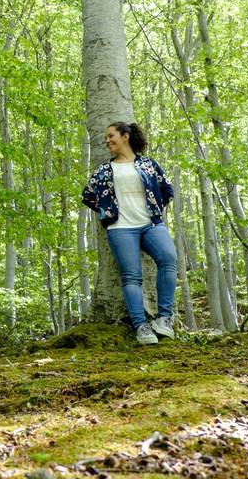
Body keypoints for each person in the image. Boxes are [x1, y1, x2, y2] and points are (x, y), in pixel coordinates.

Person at [81, 122, 178, 345]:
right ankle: (140, 326)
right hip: (121, 228)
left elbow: (166, 189)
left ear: (125, 136)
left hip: (150, 224)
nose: (107, 141)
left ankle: (164, 319)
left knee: (169, 259)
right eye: (106, 137)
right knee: (132, 276)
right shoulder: (105, 170)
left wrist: (154, 207)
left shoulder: (147, 164)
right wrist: (109, 212)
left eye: (111, 136)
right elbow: (88, 196)